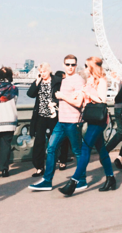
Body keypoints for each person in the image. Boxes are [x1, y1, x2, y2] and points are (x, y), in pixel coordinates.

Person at [60, 56, 116, 195]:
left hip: (99, 120)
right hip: (92, 118)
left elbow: (102, 100)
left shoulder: (102, 81)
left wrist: (88, 92)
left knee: (85, 148)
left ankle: (73, 182)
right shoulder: (90, 80)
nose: (84, 68)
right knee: (102, 150)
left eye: (86, 65)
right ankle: (111, 178)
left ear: (92, 66)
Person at [29, 54, 84, 191]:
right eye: (67, 64)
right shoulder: (64, 80)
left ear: (76, 65)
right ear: (63, 65)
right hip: (61, 120)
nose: (70, 67)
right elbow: (32, 93)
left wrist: (62, 97)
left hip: (72, 121)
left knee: (77, 151)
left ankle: (81, 180)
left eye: (73, 64)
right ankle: (47, 181)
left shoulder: (78, 80)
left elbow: (78, 102)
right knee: (51, 149)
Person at [27, 63, 71, 178]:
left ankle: (62, 160)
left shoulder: (57, 81)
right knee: (39, 142)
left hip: (54, 115)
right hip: (41, 116)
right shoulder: (39, 82)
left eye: (44, 72)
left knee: (58, 140)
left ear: (49, 71)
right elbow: (30, 94)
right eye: (40, 72)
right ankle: (39, 167)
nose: (42, 74)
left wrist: (55, 103)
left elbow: (64, 95)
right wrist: (36, 82)